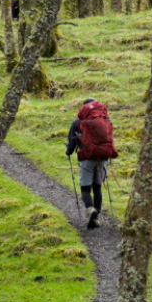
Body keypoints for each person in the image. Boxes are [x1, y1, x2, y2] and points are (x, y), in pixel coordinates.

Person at [66, 97, 117, 229]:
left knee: (85, 189)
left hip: (87, 158)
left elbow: (71, 144)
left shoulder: (78, 122)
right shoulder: (105, 120)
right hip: (103, 158)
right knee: (97, 188)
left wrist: (69, 151)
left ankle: (90, 210)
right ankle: (97, 217)